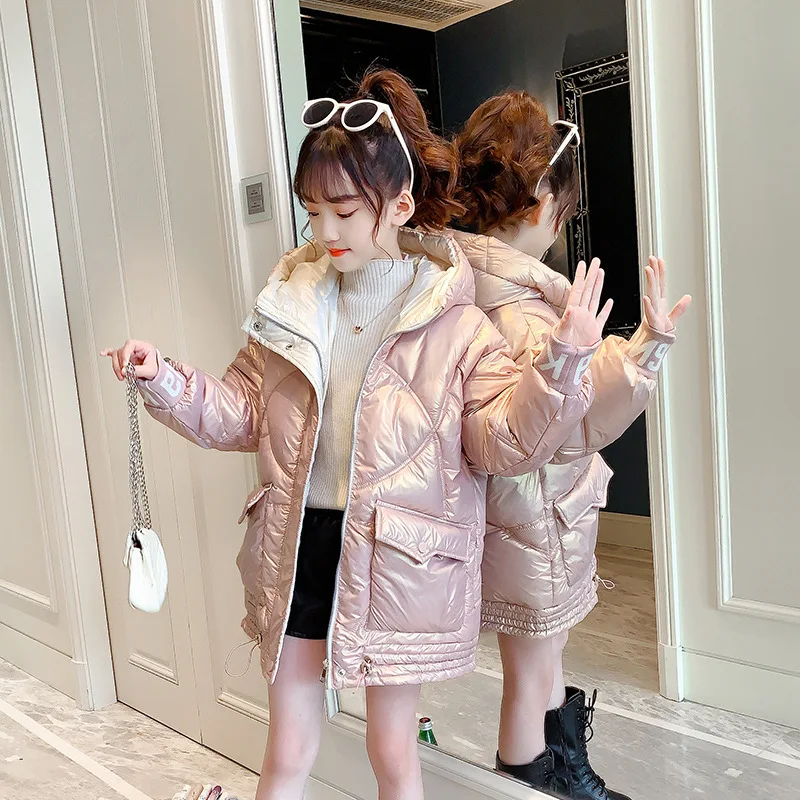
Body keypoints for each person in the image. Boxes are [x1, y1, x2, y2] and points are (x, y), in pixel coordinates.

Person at [102, 70, 612, 800]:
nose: (325, 232)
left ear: (400, 205)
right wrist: (162, 378)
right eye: (314, 211)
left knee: (391, 752)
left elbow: (501, 442)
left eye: (343, 211)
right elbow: (240, 410)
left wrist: (562, 362)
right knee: (287, 747)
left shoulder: (457, 324)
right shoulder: (291, 305)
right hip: (299, 545)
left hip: (397, 558)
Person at [452, 91, 691, 799]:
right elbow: (569, 421)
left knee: (541, 658)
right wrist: (643, 351)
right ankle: (540, 781)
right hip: (534, 517)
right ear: (543, 202)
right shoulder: (517, 307)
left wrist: (628, 349)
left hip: (516, 517)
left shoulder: (467, 284)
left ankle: (566, 773)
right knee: (531, 671)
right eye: (564, 204)